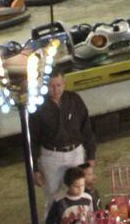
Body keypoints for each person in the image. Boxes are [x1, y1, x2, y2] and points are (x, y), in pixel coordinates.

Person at [30, 70, 96, 198]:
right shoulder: (37, 106)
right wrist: (35, 169)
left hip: (76, 153)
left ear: (64, 84)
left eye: (58, 85)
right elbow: (32, 139)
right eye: (51, 86)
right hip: (51, 156)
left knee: (80, 192)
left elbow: (87, 128)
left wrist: (91, 157)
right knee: (52, 197)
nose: (55, 89)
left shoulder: (74, 100)